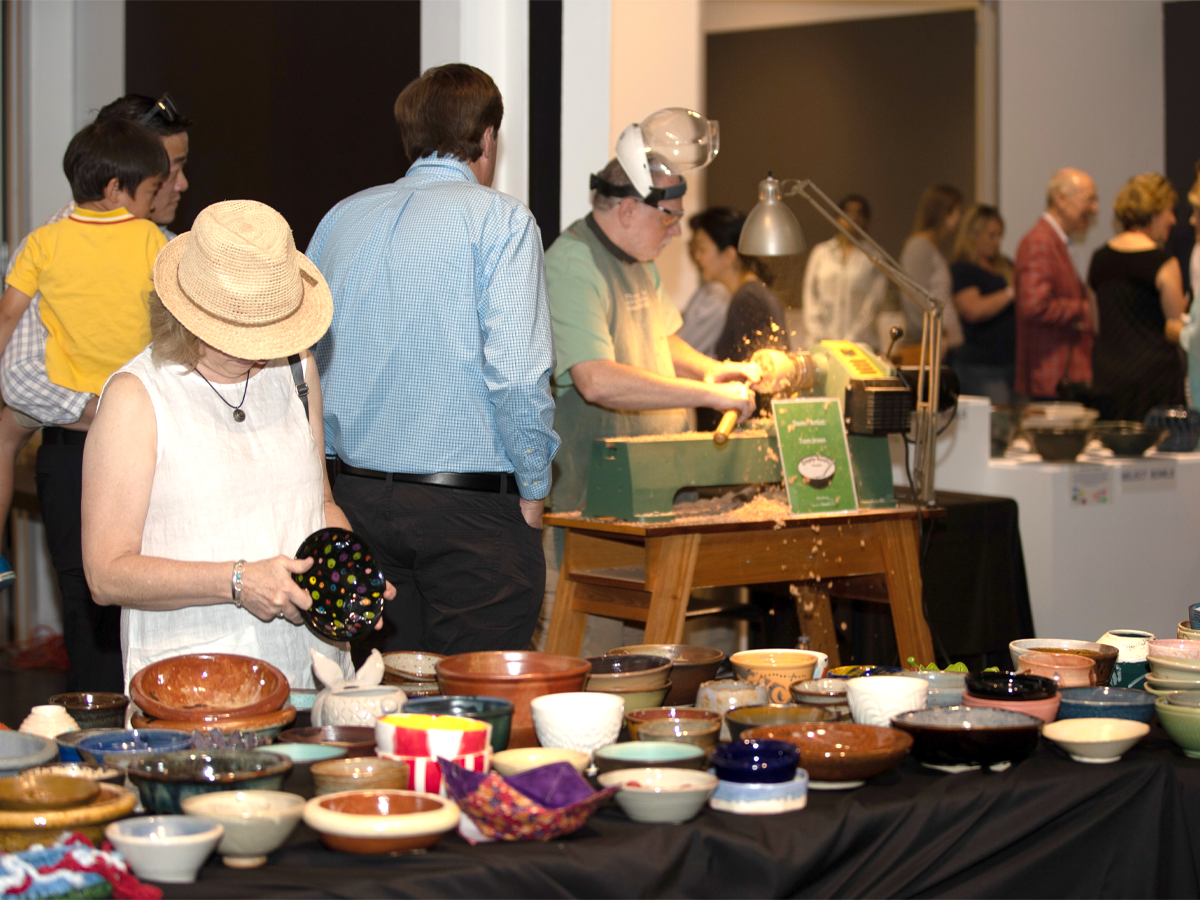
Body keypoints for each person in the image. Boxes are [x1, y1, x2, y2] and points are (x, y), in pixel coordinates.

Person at [308, 64, 557, 658]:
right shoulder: (502, 220)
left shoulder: (340, 219)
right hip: (472, 510)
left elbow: (304, 362)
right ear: (488, 138)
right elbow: (519, 376)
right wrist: (534, 484)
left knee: (380, 704)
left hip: (359, 502)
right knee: (470, 709)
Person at [81, 200, 384, 688]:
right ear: (191, 317)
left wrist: (350, 577)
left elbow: (319, 504)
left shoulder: (294, 368)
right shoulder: (137, 397)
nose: (264, 348)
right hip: (195, 681)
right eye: (247, 333)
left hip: (309, 668)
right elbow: (106, 573)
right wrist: (237, 582)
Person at [0, 92, 189, 646]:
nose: (178, 185)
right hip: (80, 463)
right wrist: (119, 414)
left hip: (164, 464)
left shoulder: (165, 245)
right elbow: (20, 379)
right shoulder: (55, 247)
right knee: (99, 640)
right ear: (119, 178)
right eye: (168, 172)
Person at [1088, 173, 1186, 422]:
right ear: (1153, 212)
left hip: (1109, 379)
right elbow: (1176, 328)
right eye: (1169, 211)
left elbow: (1098, 325)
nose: (1173, 220)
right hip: (1155, 383)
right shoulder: (1163, 263)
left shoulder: (1099, 259)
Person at [1014, 168, 1100, 400]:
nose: (1095, 209)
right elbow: (1034, 306)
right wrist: (1085, 309)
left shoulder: (1052, 241)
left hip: (1056, 378)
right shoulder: (1041, 242)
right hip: (1050, 380)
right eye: (1089, 199)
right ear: (1061, 199)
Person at [949, 204, 1017, 405]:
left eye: (999, 235)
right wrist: (1011, 292)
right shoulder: (963, 269)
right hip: (981, 366)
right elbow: (973, 309)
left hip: (1010, 364)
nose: (996, 242)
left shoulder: (1005, 265)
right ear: (974, 234)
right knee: (995, 428)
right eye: (991, 235)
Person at [801, 194, 887, 348]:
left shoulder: (874, 258)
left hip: (861, 344)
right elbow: (809, 296)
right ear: (837, 217)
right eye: (848, 212)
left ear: (867, 221)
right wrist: (820, 336)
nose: (853, 217)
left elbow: (873, 305)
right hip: (821, 344)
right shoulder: (821, 253)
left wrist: (850, 341)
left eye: (859, 213)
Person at [900, 185, 965, 353]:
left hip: (942, 343)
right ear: (946, 212)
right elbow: (913, 297)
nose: (960, 217)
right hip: (930, 346)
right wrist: (933, 336)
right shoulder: (919, 246)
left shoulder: (932, 246)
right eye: (958, 211)